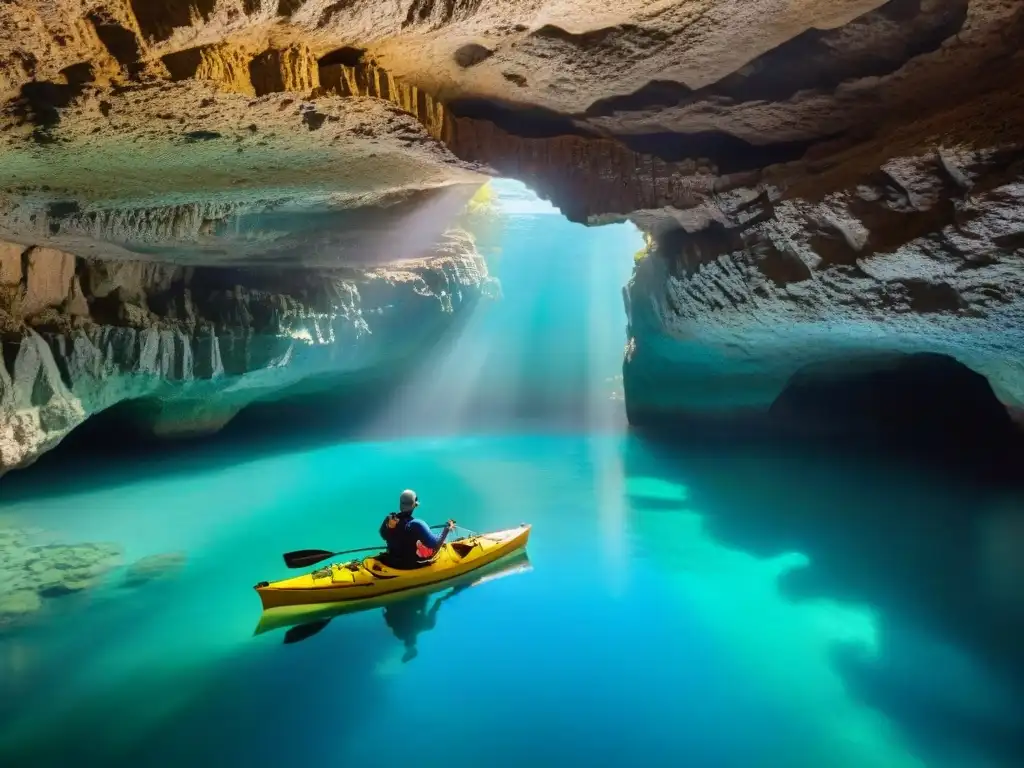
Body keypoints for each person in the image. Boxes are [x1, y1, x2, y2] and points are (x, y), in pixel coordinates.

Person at [379, 489, 455, 567]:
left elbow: (382, 534)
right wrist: (447, 529)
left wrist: (390, 527)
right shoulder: (417, 524)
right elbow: (436, 544)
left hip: (392, 561)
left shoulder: (389, 520)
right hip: (408, 565)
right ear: (414, 504)